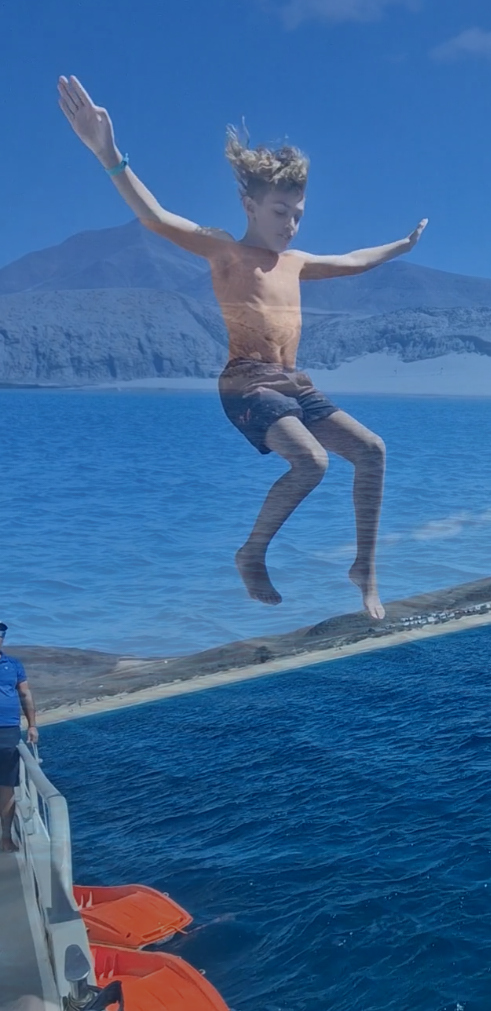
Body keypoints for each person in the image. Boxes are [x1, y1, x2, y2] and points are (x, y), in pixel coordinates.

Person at [57, 75, 428, 621]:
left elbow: (355, 260)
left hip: (292, 383)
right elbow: (156, 218)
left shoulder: (297, 264)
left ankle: (364, 570)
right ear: (248, 204)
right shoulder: (226, 252)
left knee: (372, 451)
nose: (292, 225)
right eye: (281, 213)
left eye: (298, 214)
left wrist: (401, 245)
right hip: (246, 382)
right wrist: (109, 153)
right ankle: (252, 552)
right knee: (312, 462)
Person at [0, 623, 38, 853]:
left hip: (8, 731)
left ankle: (5, 836)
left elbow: (25, 693)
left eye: (0, 635)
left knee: (6, 786)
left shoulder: (13, 665)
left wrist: (32, 725)